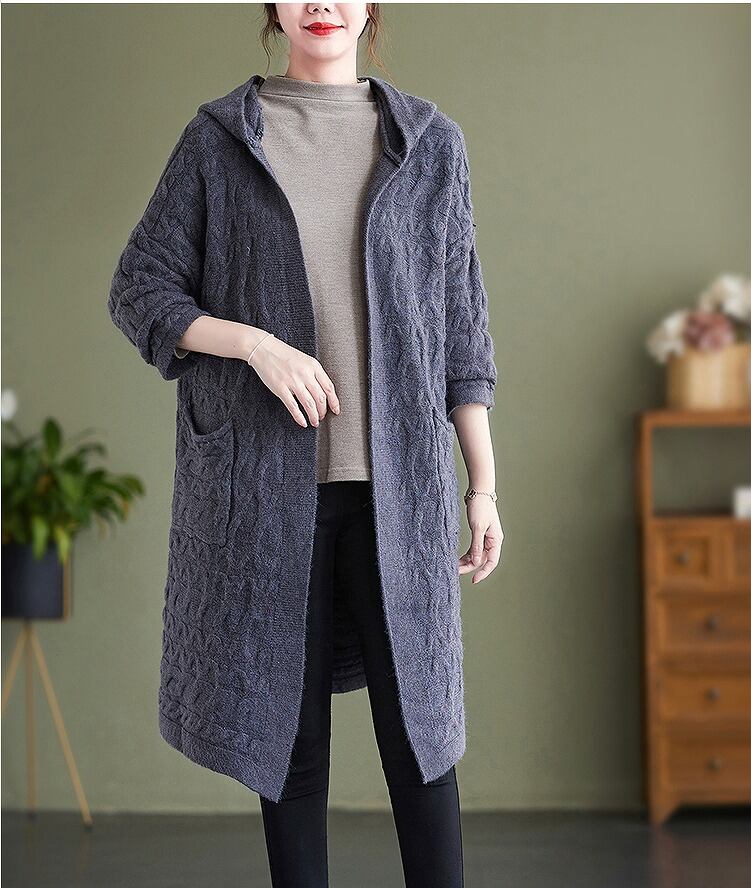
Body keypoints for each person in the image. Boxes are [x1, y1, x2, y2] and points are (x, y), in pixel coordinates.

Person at [108, 4, 503, 886]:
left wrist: (480, 486)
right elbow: (140, 287)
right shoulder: (219, 140)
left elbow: (461, 330)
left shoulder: (428, 144)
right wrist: (254, 344)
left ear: (369, 9)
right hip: (263, 493)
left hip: (400, 494)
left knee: (422, 743)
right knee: (288, 749)